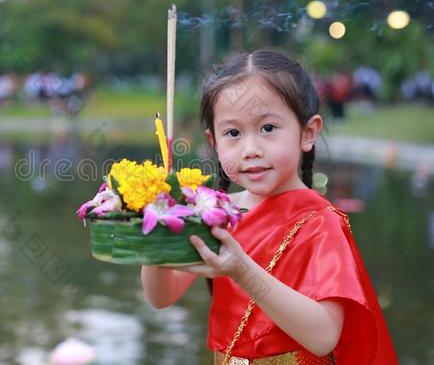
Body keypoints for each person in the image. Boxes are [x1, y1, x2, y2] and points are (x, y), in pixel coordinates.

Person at [141, 50, 398, 364]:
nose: (250, 150)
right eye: (233, 133)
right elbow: (162, 296)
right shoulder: (216, 213)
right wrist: (153, 232)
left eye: (268, 128)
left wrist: (242, 271)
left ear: (308, 133)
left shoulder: (320, 222)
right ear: (214, 141)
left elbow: (323, 336)